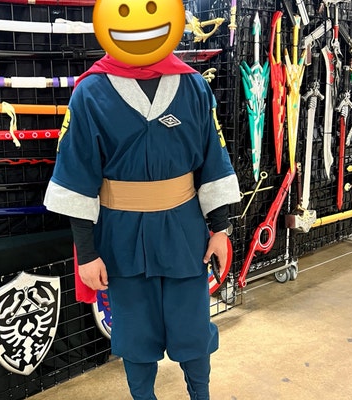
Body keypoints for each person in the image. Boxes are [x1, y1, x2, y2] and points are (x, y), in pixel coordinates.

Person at [44, 0, 240, 398]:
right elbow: (76, 178)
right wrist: (86, 253)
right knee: (135, 335)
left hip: (184, 230)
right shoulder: (90, 93)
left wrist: (220, 230)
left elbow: (213, 161)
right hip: (121, 235)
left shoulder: (193, 86)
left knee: (193, 329)